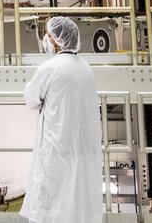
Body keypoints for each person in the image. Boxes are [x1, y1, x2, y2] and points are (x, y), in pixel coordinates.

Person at [21, 17, 102, 223]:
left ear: (57, 40)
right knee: (76, 205)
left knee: (51, 207)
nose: (46, 40)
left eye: (48, 36)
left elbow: (30, 98)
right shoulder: (85, 68)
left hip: (56, 150)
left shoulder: (50, 67)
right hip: (82, 150)